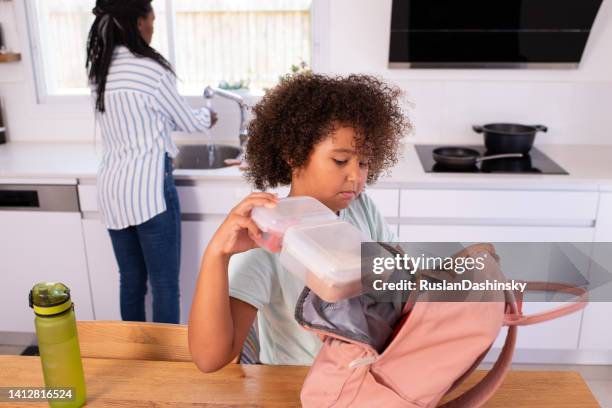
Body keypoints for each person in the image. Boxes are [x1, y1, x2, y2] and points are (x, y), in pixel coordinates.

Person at [188, 73, 409, 371]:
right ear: (295, 155)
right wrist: (217, 255)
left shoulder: (362, 209)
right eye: (341, 161)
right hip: (297, 388)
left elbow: (400, 282)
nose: (356, 177)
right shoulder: (265, 239)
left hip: (365, 380)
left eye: (364, 163)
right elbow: (210, 359)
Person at [86, 0, 217, 323]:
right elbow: (186, 120)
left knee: (130, 282)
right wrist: (207, 115)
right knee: (165, 285)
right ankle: (164, 365)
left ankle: (134, 360)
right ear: (138, 22)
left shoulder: (100, 68)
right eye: (152, 20)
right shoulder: (150, 69)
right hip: (149, 190)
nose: (153, 28)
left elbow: (147, 117)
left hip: (114, 190)